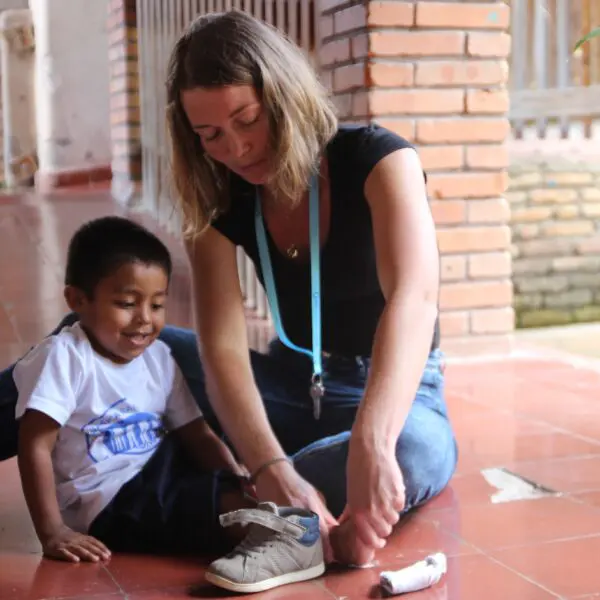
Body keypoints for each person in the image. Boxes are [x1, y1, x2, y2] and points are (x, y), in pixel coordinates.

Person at [13, 216, 253, 563]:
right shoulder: (64, 357)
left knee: (230, 482)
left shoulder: (158, 356)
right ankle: (275, 535)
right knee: (227, 511)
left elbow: (196, 434)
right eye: (127, 304)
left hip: (159, 469)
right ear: (77, 300)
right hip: (109, 500)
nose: (145, 318)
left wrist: (235, 476)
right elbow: (34, 443)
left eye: (156, 305)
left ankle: (268, 512)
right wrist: (52, 531)